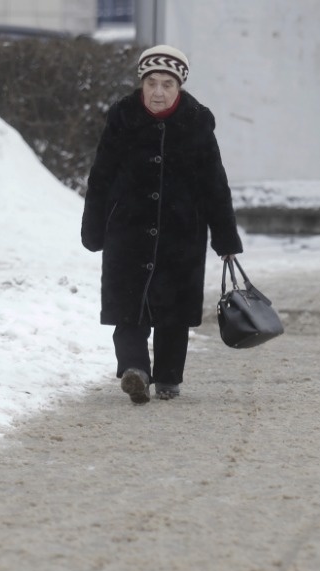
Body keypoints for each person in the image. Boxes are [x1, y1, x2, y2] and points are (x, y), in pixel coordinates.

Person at [81, 44, 243, 404]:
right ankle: (135, 370)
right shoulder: (122, 117)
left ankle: (169, 376)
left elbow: (215, 184)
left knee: (174, 312)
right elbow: (101, 176)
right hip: (127, 230)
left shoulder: (197, 122)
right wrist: (93, 227)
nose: (158, 91)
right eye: (151, 82)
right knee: (128, 308)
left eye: (167, 84)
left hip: (181, 233)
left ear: (178, 86)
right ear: (141, 83)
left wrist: (226, 238)